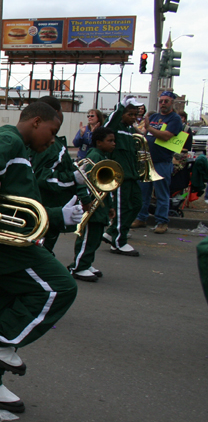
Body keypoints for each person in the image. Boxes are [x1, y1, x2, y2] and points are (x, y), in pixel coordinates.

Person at [0, 101, 81, 413]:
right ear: (36, 122)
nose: (53, 139)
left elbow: (17, 205)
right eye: (52, 131)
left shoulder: (19, 147)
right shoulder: (9, 140)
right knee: (60, 287)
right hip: (3, 250)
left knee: (5, 309)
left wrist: (57, 216)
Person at [31, 95, 88, 254]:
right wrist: (73, 178)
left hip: (41, 206)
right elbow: (42, 177)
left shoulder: (38, 139)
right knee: (41, 252)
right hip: (48, 206)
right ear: (55, 112)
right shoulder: (50, 144)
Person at [68, 127, 116, 282]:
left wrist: (110, 206)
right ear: (99, 142)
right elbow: (82, 178)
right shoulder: (94, 156)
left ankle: (87, 263)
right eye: (110, 141)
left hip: (101, 204)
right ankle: (78, 266)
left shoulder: (103, 156)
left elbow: (106, 186)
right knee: (88, 237)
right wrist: (85, 199)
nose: (113, 144)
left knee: (95, 237)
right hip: (91, 203)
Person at [132, 91, 183, 234]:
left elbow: (166, 136)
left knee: (161, 193)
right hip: (147, 160)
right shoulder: (154, 117)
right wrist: (135, 127)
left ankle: (162, 222)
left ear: (172, 103)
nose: (163, 104)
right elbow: (144, 133)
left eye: (166, 101)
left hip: (162, 162)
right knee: (143, 192)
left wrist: (149, 128)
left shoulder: (174, 119)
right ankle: (141, 218)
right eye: (161, 101)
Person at [103, 97, 144, 256]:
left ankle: (112, 232)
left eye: (136, 115)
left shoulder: (130, 130)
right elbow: (108, 124)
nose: (134, 118)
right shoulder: (116, 127)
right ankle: (118, 242)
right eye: (131, 114)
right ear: (122, 114)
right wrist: (121, 107)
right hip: (120, 176)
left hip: (132, 176)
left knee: (137, 204)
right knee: (122, 208)